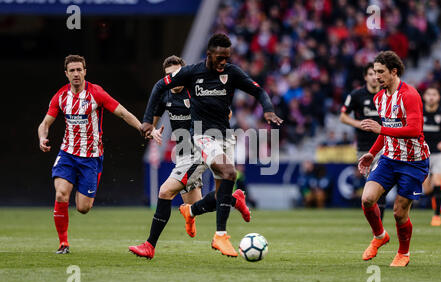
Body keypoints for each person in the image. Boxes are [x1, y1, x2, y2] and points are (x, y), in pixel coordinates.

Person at [131, 33, 282, 258]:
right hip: (197, 141)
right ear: (209, 55)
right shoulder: (188, 78)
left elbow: (257, 90)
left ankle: (212, 210)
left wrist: (268, 108)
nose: (223, 62)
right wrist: (149, 127)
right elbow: (157, 94)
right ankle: (219, 229)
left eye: (226, 57)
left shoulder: (228, 74)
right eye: (219, 58)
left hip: (221, 137)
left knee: (204, 196)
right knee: (205, 183)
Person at [128, 56, 251, 259]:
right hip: (183, 153)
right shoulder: (165, 94)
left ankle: (149, 245)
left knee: (165, 192)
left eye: (177, 74)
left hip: (200, 148)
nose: (173, 79)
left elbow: (225, 114)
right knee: (196, 205)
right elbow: (154, 118)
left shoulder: (197, 91)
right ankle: (233, 199)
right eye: (169, 76)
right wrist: (153, 132)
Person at [37, 54, 143, 254]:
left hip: (91, 157)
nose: (76, 74)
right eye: (72, 70)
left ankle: (92, 179)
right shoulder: (60, 96)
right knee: (61, 194)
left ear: (85, 71)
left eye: (79, 70)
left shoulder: (96, 93)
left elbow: (123, 113)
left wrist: (143, 128)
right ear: (66, 74)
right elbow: (45, 123)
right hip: (67, 154)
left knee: (83, 208)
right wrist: (42, 138)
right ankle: (63, 243)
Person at [358, 51, 430, 267]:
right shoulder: (379, 97)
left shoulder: (409, 95)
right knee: (367, 199)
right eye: (374, 72)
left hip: (413, 161)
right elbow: (386, 131)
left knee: (399, 212)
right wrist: (372, 153)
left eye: (380, 72)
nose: (376, 76)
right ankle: (380, 236)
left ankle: (403, 253)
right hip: (389, 158)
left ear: (394, 71)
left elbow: (414, 129)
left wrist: (382, 128)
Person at [340, 62, 386, 220]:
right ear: (366, 77)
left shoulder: (387, 94)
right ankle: (378, 228)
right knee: (372, 190)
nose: (374, 77)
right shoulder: (356, 95)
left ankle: (379, 229)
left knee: (381, 187)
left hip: (386, 146)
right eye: (371, 74)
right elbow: (343, 116)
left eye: (377, 74)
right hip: (365, 148)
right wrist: (358, 123)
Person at [421, 87, 441, 226]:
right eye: (429, 94)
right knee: (427, 189)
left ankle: (437, 216)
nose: (431, 97)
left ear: (438, 97)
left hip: (438, 154)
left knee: (438, 183)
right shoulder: (419, 112)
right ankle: (433, 196)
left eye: (434, 94)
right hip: (422, 154)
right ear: (424, 96)